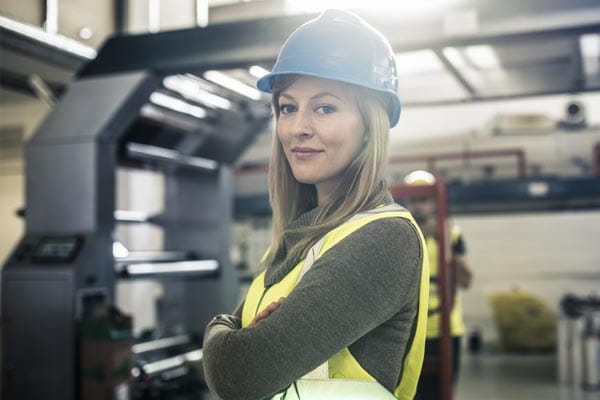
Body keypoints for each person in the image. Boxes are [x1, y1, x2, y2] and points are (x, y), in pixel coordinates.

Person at [202, 10, 430, 400]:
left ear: (369, 126)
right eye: (288, 107)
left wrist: (221, 331)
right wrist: (233, 335)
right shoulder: (304, 236)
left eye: (325, 107)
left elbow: (236, 373)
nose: (298, 127)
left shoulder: (383, 239)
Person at [403, 170, 473, 400]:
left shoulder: (451, 234)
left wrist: (445, 245)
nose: (419, 206)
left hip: (445, 328)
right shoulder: (399, 233)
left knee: (442, 392)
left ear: (434, 202)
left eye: (423, 200)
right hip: (408, 330)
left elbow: (466, 281)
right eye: (414, 200)